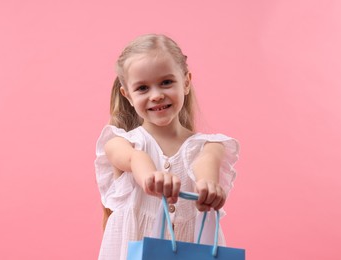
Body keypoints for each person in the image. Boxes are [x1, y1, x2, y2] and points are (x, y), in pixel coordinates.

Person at [95, 34, 239, 259]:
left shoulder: (209, 146)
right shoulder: (120, 143)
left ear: (186, 82)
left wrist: (208, 187)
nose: (157, 95)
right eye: (142, 88)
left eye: (166, 82)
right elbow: (134, 158)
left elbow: (205, 165)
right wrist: (152, 177)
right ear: (128, 96)